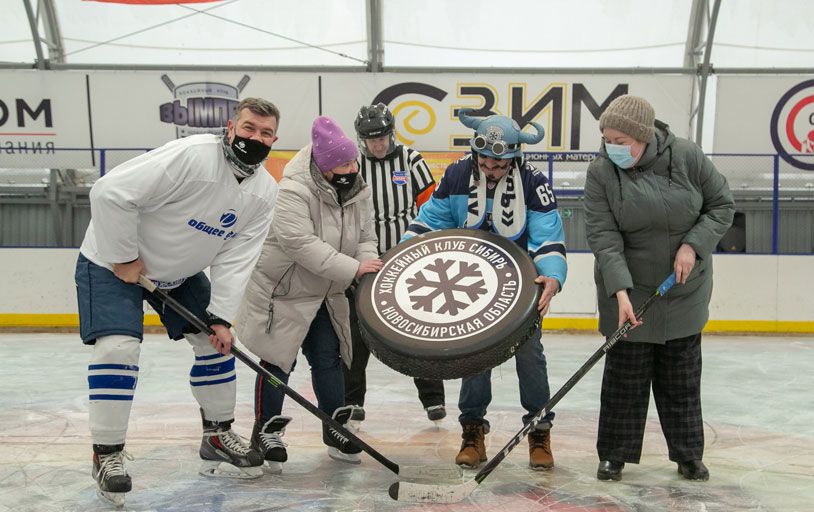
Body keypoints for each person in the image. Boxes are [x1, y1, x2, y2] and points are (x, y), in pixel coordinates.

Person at [75, 98, 281, 506]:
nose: (255, 138)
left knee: (217, 343)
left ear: (274, 139)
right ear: (230, 127)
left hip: (180, 274)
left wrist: (221, 316)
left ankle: (218, 435)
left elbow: (238, 257)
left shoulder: (264, 192)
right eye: (249, 128)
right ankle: (108, 453)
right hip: (112, 263)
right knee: (119, 348)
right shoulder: (191, 156)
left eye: (265, 133)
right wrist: (124, 256)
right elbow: (109, 192)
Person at [403, 109, 568, 470]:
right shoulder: (459, 173)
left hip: (521, 287)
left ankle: (539, 431)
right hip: (470, 282)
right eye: (484, 161)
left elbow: (548, 238)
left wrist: (552, 276)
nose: (489, 169)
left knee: (530, 357)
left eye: (498, 164)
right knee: (474, 358)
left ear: (514, 157)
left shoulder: (534, 182)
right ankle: (472, 431)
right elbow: (432, 219)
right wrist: (404, 254)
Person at [583, 94, 735, 482]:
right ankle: (614, 455)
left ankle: (687, 455)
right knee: (625, 378)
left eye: (621, 141)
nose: (612, 148)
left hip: (683, 288)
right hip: (628, 290)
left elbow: (721, 205)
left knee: (680, 378)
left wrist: (693, 245)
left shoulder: (687, 157)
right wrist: (620, 292)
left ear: (643, 136)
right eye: (607, 140)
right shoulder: (601, 172)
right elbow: (604, 237)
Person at [234, 116, 381, 473]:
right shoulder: (293, 190)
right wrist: (352, 269)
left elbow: (366, 236)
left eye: (353, 161)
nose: (352, 168)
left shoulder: (359, 189)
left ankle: (335, 428)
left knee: (328, 358)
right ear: (325, 165)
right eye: (343, 164)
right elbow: (300, 244)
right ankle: (266, 432)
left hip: (327, 293)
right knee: (277, 360)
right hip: (285, 291)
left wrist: (365, 262)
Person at [344, 103, 446, 429]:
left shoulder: (410, 161)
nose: (378, 144)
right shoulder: (353, 165)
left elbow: (431, 209)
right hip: (363, 259)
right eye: (371, 139)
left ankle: (433, 398)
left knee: (416, 330)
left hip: (404, 260)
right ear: (361, 139)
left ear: (392, 133)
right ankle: (353, 402)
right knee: (355, 335)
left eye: (382, 137)